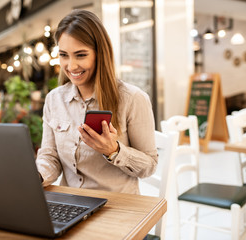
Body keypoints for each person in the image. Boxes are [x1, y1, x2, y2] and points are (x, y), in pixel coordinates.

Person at [36, 9, 158, 194]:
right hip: (71, 202)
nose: (71, 66)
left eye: (81, 55)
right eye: (63, 55)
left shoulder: (133, 99)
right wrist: (37, 176)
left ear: (100, 53)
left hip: (117, 205)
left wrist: (114, 151)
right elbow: (50, 156)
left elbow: (149, 166)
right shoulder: (54, 99)